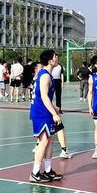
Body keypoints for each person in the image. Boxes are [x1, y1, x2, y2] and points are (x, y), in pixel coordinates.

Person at [29, 49, 65, 182]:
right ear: (50, 60)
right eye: (55, 56)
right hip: (41, 113)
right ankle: (34, 173)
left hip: (45, 111)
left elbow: (43, 96)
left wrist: (54, 108)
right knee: (43, 142)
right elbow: (44, 96)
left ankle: (48, 170)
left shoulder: (45, 74)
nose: (57, 58)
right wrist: (54, 113)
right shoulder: (45, 76)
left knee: (50, 141)